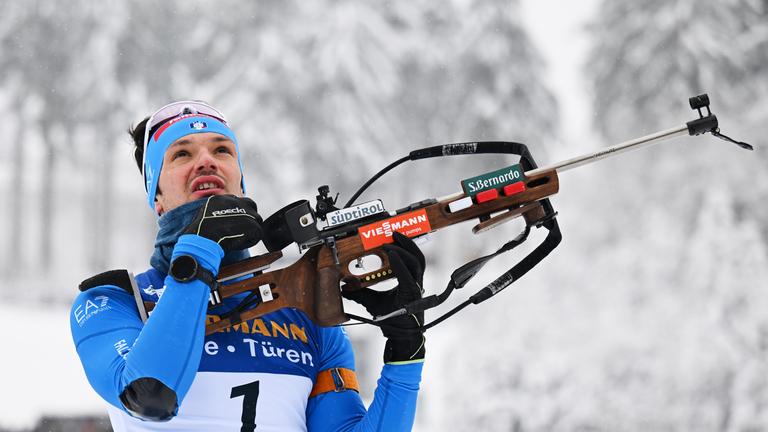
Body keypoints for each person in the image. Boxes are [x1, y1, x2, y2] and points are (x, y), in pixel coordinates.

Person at [70, 101, 427, 431]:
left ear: (240, 182)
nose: (207, 161)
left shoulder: (303, 311)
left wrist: (405, 355)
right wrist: (198, 251)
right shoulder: (116, 302)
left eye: (222, 150)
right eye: (181, 154)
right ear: (157, 197)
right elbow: (150, 394)